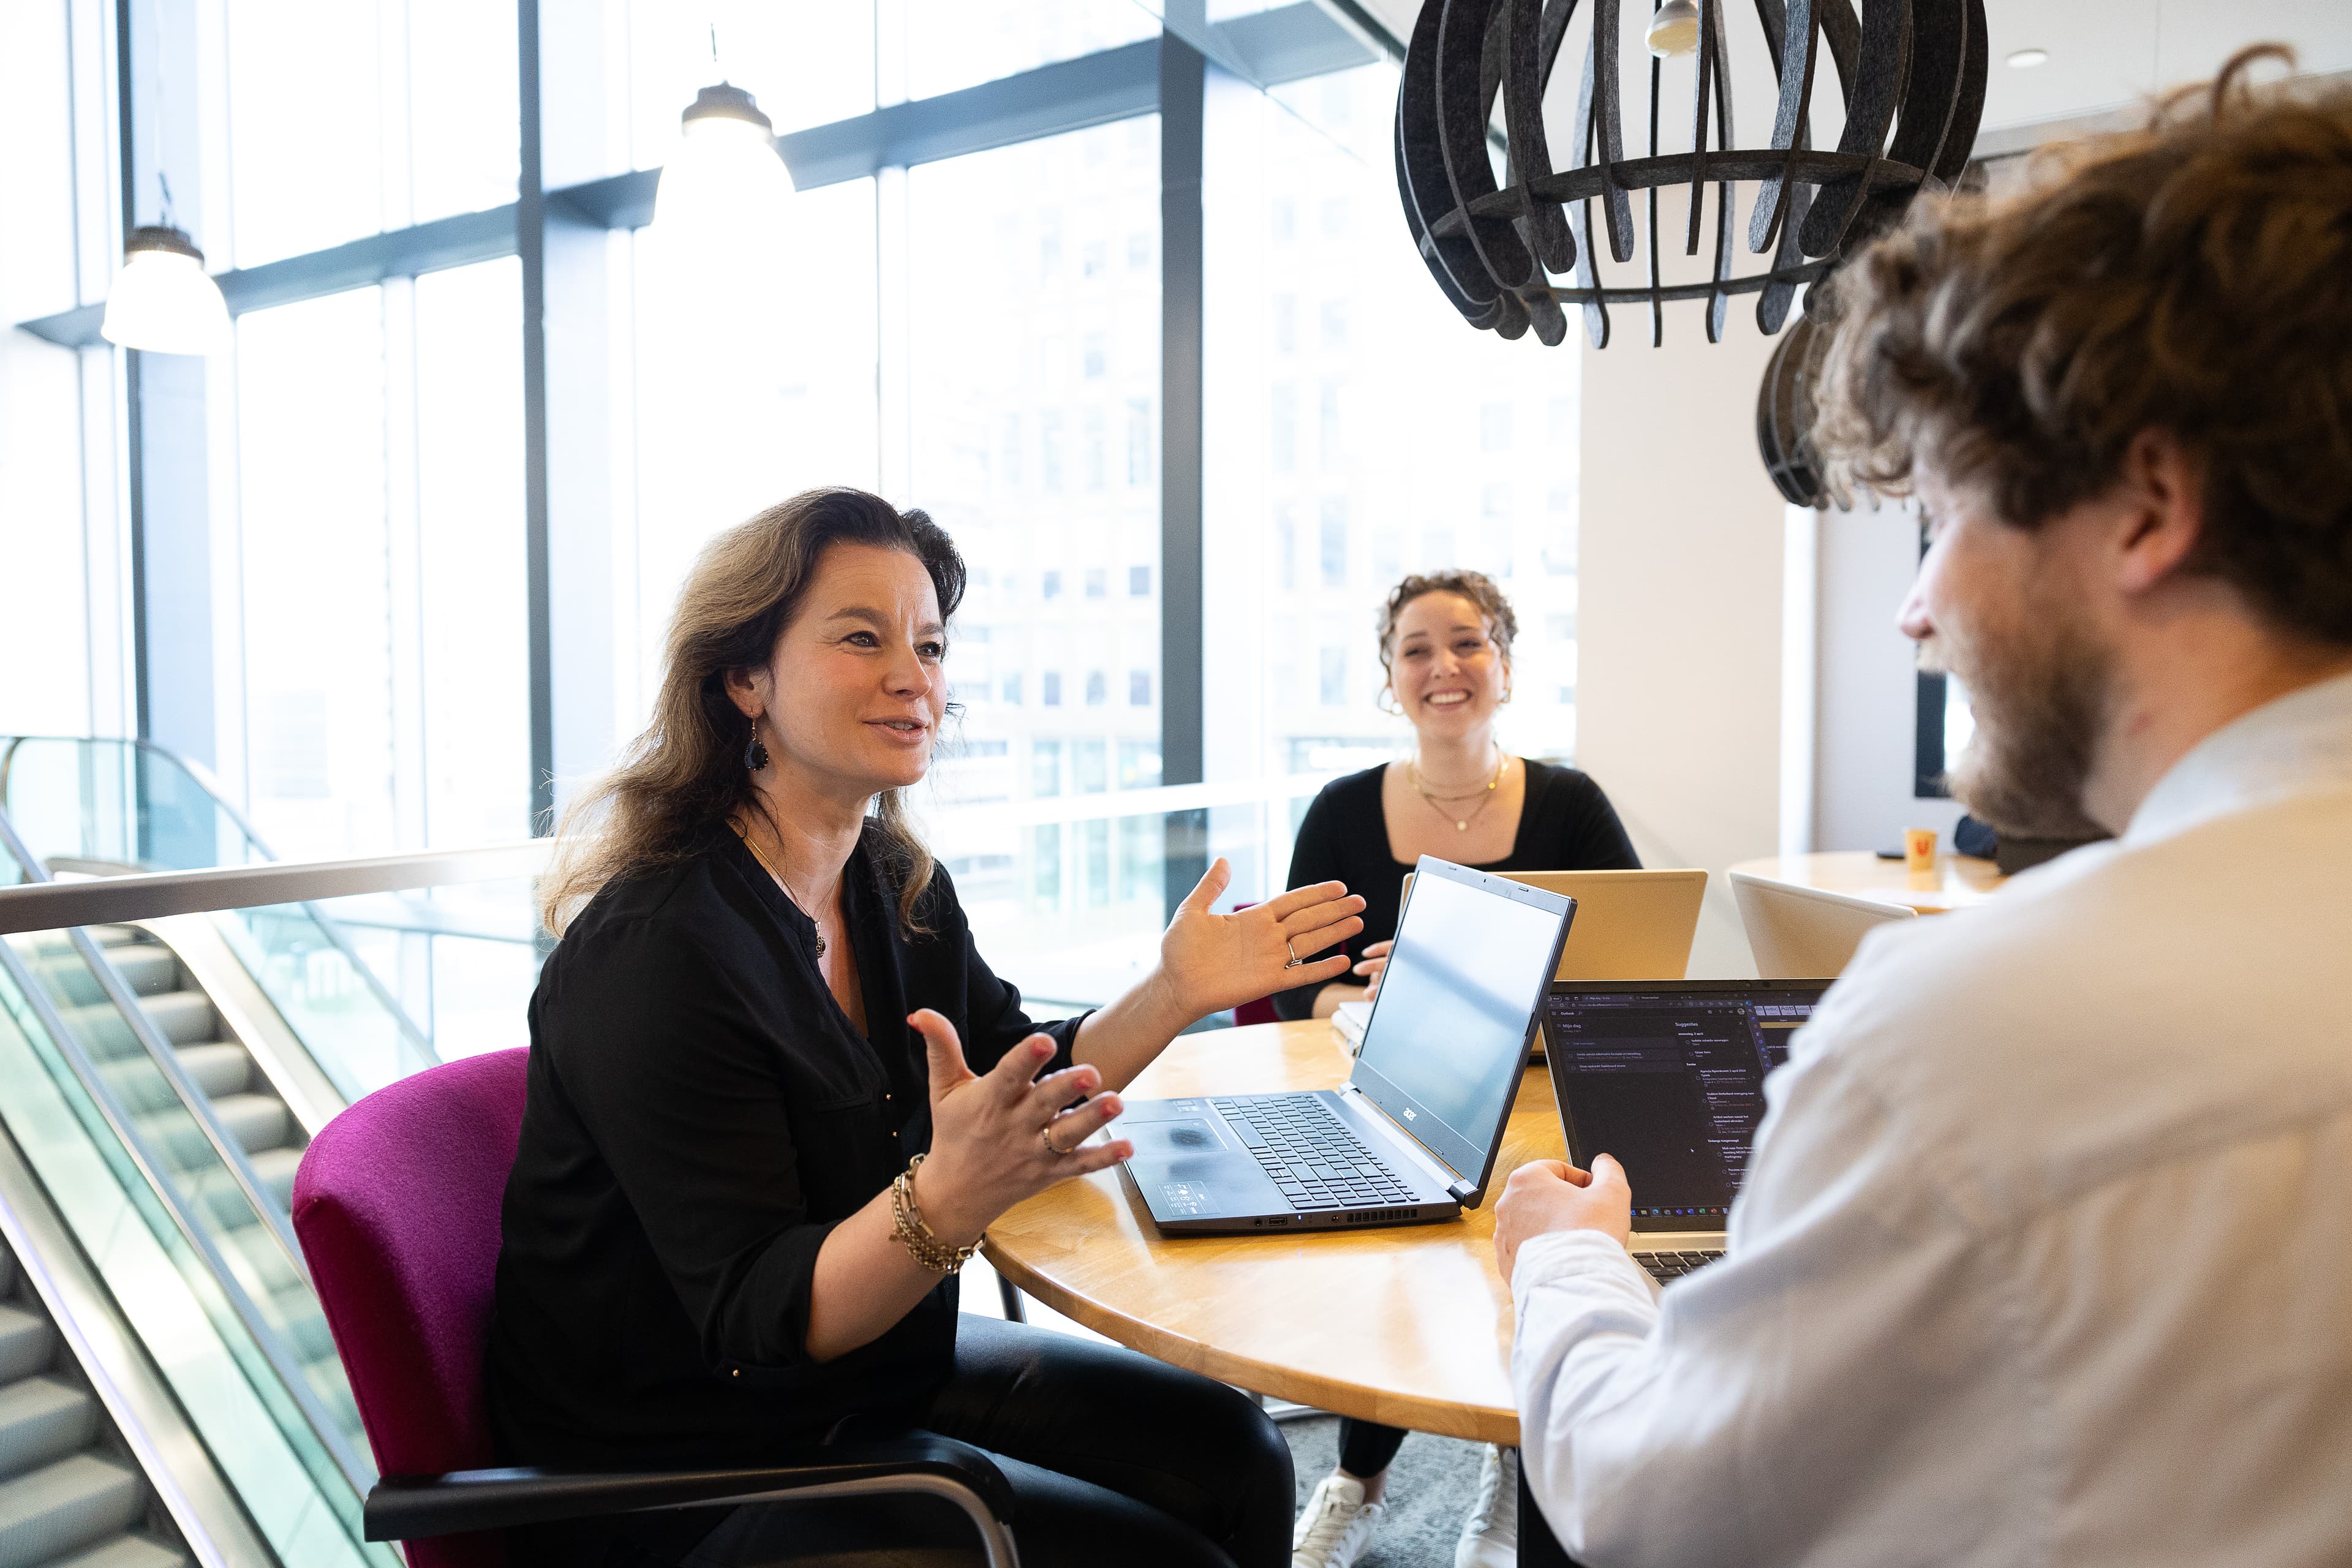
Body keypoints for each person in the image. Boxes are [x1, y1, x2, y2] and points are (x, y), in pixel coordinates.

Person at [1495, 49, 2352, 1567]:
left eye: (1942, 514)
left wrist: (1567, 1268)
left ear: (2149, 505)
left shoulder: (1974, 1039)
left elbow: (1658, 1508)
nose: (1916, 609)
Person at [487, 488, 1370, 1568]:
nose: (916, 676)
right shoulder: (660, 952)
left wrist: (1176, 989)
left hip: (865, 1374)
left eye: (932, 644)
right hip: (679, 1466)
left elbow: (1013, 1073)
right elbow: (762, 1313)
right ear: (744, 678)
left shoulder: (890, 879)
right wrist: (948, 1195)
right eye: (863, 638)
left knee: (1236, 1453)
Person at [1276, 570, 1638, 1568]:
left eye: (1469, 643)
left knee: (1534, 1268)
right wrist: (1381, 1009)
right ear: (1390, 678)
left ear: (1506, 667)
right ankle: (1358, 1478)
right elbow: (1288, 987)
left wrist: (1478, 995)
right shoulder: (1344, 812)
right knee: (1389, 1279)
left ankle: (1515, 1471)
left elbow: (1631, 968)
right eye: (1418, 649)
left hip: (1545, 1098)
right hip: (1397, 1097)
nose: (1445, 667)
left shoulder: (1571, 803)